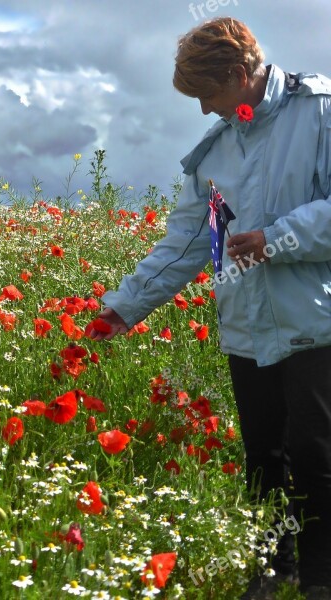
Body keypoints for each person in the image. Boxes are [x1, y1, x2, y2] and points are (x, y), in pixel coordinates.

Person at [86, 17, 331, 600]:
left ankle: (323, 579)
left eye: (207, 95)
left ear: (239, 75)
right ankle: (274, 572)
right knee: (263, 460)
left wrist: (279, 237)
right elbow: (187, 242)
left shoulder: (319, 113)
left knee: (318, 458)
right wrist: (124, 307)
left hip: (315, 322)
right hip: (246, 324)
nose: (202, 111)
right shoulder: (216, 150)